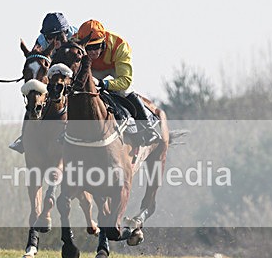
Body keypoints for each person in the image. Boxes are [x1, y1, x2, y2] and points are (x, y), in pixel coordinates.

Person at [74, 19, 160, 145]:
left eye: (96, 47)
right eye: (88, 47)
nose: (92, 52)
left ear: (104, 42)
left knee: (125, 90)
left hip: (113, 67)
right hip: (90, 68)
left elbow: (125, 81)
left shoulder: (120, 46)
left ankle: (148, 128)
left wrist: (103, 84)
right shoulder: (74, 42)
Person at [10, 12, 78, 154]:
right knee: (34, 98)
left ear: (66, 32)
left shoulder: (76, 36)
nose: (54, 41)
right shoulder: (41, 40)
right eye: (50, 37)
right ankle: (24, 138)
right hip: (54, 74)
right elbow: (37, 60)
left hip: (77, 73)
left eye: (57, 36)